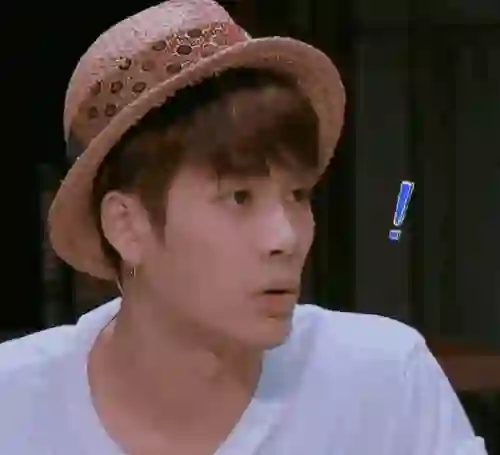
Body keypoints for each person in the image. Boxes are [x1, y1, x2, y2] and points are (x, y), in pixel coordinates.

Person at [0, 1, 488, 454]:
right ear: (126, 226)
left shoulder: (385, 381)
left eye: (297, 195)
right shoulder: (15, 403)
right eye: (238, 197)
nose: (286, 238)